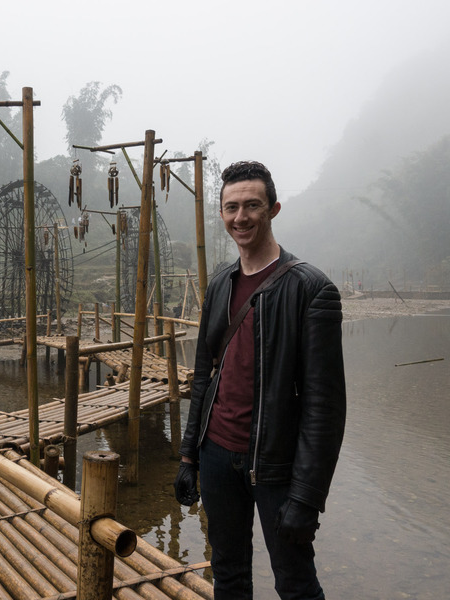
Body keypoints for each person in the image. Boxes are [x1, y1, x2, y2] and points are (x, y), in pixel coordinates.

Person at [174, 161, 346, 600]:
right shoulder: (219, 284)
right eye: (231, 207)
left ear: (273, 209)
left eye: (252, 205)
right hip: (217, 456)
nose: (241, 217)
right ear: (222, 214)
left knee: (296, 583)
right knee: (229, 575)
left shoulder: (312, 289)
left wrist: (308, 496)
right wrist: (189, 456)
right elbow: (204, 377)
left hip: (276, 465)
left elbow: (324, 407)